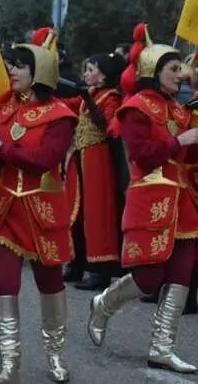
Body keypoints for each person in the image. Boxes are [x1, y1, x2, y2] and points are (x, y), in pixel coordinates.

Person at [87, 23, 198, 374]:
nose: (182, 73)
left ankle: (162, 347)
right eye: (173, 68)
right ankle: (103, 304)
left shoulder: (177, 109)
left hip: (181, 199)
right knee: (149, 277)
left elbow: (194, 156)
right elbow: (145, 155)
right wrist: (182, 140)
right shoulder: (134, 108)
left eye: (181, 67)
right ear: (153, 71)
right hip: (149, 196)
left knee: (182, 269)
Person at [0, 29, 77, 384]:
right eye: (12, 65)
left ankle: (56, 356)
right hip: (3, 210)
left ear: (41, 71)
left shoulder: (61, 115)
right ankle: (8, 364)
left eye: (20, 66)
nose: (12, 71)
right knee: (4, 286)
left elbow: (44, 160)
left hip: (43, 211)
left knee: (51, 285)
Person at [64, 53, 126, 291]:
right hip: (82, 159)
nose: (86, 74)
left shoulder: (112, 97)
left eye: (90, 70)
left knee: (97, 214)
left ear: (103, 74)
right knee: (78, 213)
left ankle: (101, 271)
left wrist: (86, 100)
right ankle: (77, 263)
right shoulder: (89, 95)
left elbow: (105, 125)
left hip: (99, 162)